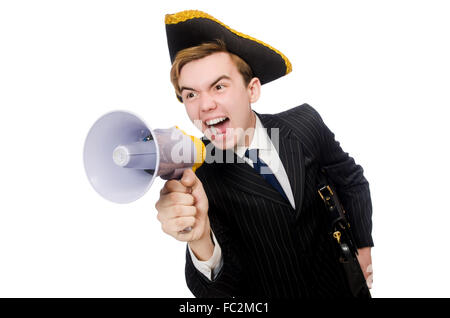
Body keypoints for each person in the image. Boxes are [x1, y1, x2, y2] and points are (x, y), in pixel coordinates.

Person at [155, 10, 373, 297]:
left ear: (252, 89)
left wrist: (362, 247)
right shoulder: (197, 173)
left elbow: (352, 180)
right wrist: (200, 240)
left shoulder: (304, 124)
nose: (204, 105)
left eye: (218, 86)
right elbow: (217, 291)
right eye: (191, 94)